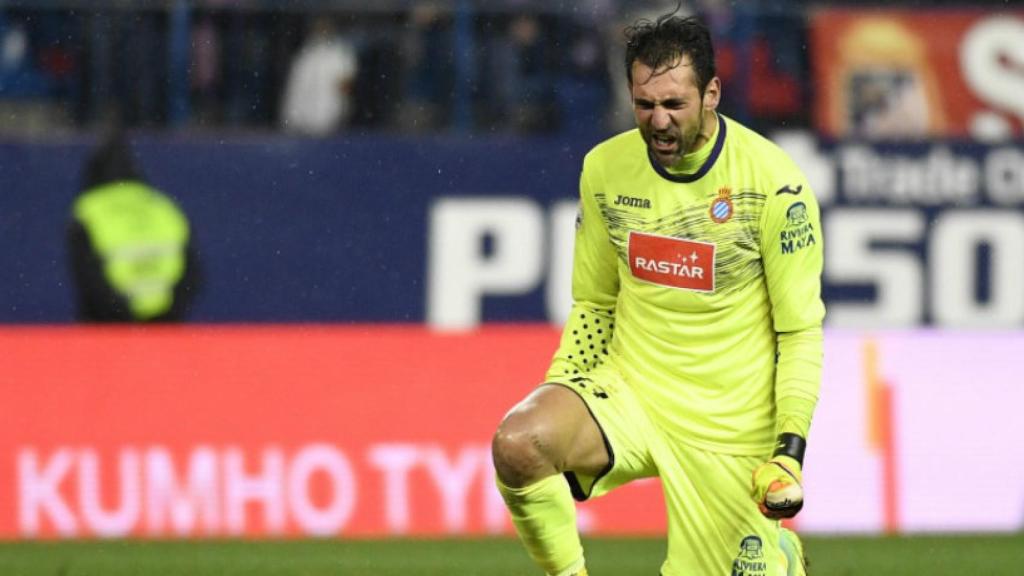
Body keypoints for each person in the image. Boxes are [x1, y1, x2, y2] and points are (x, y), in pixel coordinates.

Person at [491, 11, 823, 576]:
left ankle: (779, 555)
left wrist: (788, 451)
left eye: (674, 104)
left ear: (712, 92)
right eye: (645, 105)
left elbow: (799, 334)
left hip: (729, 423)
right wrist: (565, 383)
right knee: (520, 443)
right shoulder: (605, 169)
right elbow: (594, 304)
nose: (659, 121)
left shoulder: (774, 184)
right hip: (631, 392)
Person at [68, 130, 200, 322]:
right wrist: (170, 310)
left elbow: (87, 277)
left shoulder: (89, 211)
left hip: (108, 329)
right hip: (166, 325)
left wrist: (118, 314)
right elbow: (192, 271)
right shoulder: (162, 206)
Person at [279, 15, 359, 136]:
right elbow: (295, 88)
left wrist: (342, 115)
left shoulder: (340, 54)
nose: (322, 31)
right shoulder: (305, 55)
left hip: (331, 123)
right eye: (319, 28)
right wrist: (290, 117)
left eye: (325, 28)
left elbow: (346, 87)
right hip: (302, 123)